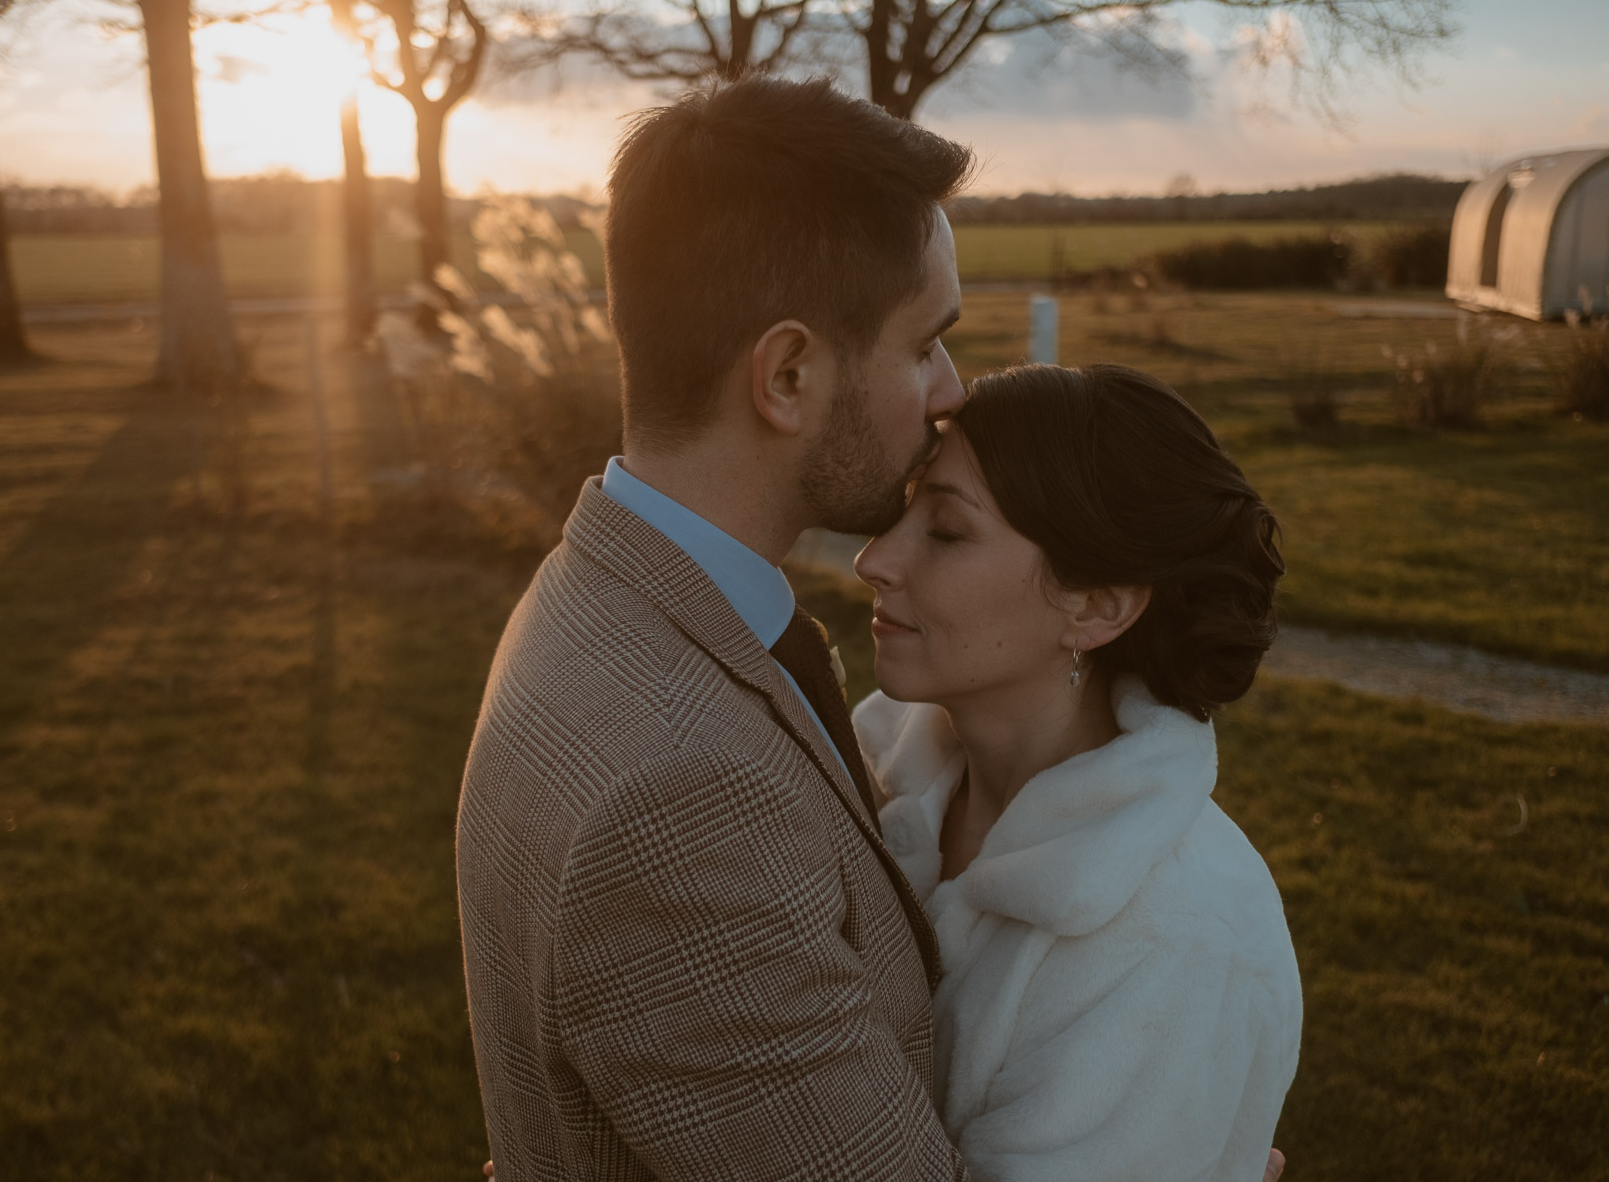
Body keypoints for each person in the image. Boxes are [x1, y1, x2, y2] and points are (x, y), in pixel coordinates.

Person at [456, 74, 1288, 1180]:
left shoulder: (587, 599)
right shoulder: (680, 799)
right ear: (788, 373)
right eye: (923, 342)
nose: (949, 390)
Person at [851, 363, 1302, 1181]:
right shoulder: (864, 774)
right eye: (903, 507)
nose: (874, 559)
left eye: (946, 531)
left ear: (1096, 605)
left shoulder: (1177, 946)